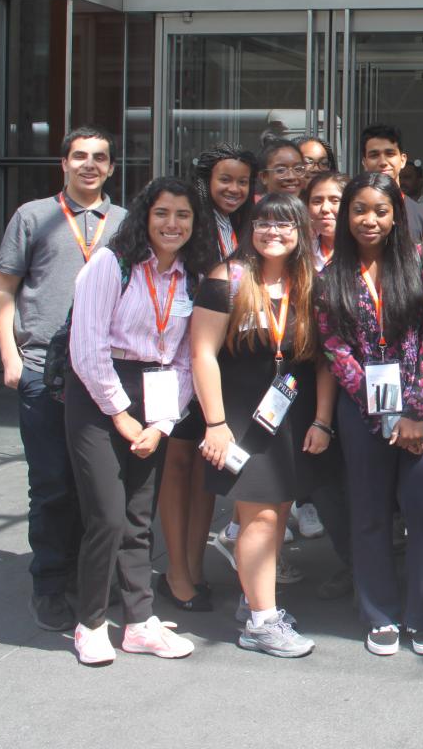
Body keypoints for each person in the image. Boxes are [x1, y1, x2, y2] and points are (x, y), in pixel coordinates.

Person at [65, 177, 212, 665]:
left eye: (183, 215)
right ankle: (89, 623)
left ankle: (138, 622)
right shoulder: (111, 264)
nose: (172, 224)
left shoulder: (191, 275)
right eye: (162, 213)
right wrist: (122, 416)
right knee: (106, 514)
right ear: (145, 217)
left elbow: (187, 360)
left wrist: (164, 422)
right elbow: (86, 350)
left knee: (138, 516)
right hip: (99, 393)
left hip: (157, 393)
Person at [0, 125, 128, 633]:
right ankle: (49, 583)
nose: (89, 164)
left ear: (111, 168)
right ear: (64, 164)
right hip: (40, 370)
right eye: (79, 156)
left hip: (104, 374)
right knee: (51, 484)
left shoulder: (126, 221)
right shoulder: (33, 216)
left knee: (97, 484)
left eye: (99, 157)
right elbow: (4, 289)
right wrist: (9, 355)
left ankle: (89, 576)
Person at [313, 173, 423, 656]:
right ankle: (379, 612)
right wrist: (381, 415)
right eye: (359, 210)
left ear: (396, 216)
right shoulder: (330, 277)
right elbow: (333, 347)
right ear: (346, 215)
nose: (370, 220)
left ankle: (420, 613)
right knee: (368, 513)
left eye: (381, 211)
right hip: (362, 411)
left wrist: (415, 412)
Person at [192, 193, 330, 657]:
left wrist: (323, 420)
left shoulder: (310, 282)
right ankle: (261, 623)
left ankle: (256, 600)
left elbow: (323, 362)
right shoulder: (226, 279)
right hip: (238, 418)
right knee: (261, 516)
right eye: (265, 223)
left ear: (300, 231)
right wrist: (214, 424)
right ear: (249, 230)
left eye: (285, 224)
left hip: (291, 417)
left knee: (274, 515)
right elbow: (202, 354)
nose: (275, 232)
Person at [156, 143, 257, 615]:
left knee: (203, 473)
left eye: (241, 181)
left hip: (224, 362)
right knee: (177, 466)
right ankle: (176, 573)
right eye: (225, 180)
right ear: (206, 181)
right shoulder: (189, 221)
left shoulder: (248, 226)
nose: (233, 188)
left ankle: (193, 567)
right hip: (178, 358)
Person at [302, 170, 355, 601]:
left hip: (360, 383)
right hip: (306, 381)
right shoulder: (298, 257)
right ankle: (353, 560)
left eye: (335, 200)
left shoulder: (370, 254)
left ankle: (371, 563)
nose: (325, 209)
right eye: (317, 201)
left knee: (362, 479)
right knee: (324, 482)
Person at [359, 123, 423, 239]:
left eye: (390, 154)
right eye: (374, 155)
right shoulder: (352, 213)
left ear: (403, 160)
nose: (383, 162)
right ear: (364, 163)